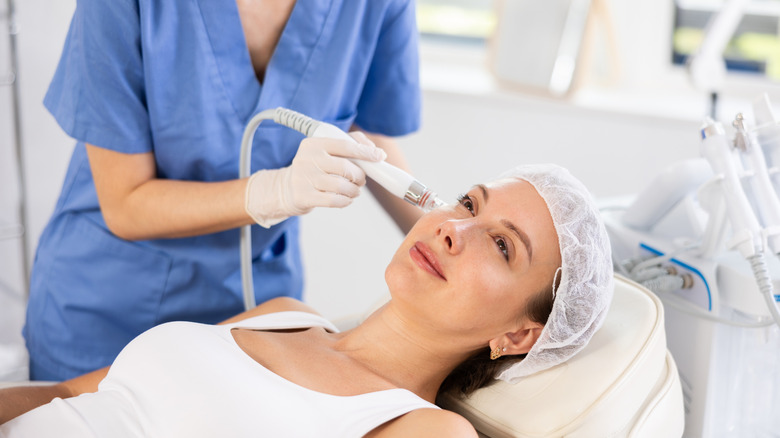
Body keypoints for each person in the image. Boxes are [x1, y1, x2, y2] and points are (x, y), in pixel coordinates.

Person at [1, 164, 614, 437]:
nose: (455, 227)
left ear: (516, 337)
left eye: (503, 246)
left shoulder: (425, 430)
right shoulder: (280, 314)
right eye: (470, 203)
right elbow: (69, 393)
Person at [26, 0, 424, 381]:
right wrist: (273, 192)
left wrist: (450, 222)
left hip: (257, 317)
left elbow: (363, 131)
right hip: (110, 308)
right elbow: (125, 203)